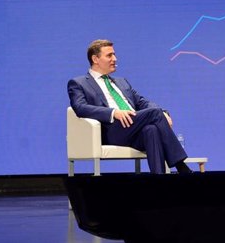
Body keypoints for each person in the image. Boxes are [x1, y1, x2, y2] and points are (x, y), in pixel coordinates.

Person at [68, 39, 192, 174]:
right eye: (109, 55)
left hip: (134, 128)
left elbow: (142, 102)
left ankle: (159, 181)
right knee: (155, 113)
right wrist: (113, 112)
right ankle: (181, 165)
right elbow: (80, 107)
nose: (115, 59)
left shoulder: (122, 82)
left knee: (151, 130)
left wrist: (163, 112)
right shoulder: (78, 83)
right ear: (95, 59)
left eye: (114, 55)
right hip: (111, 130)